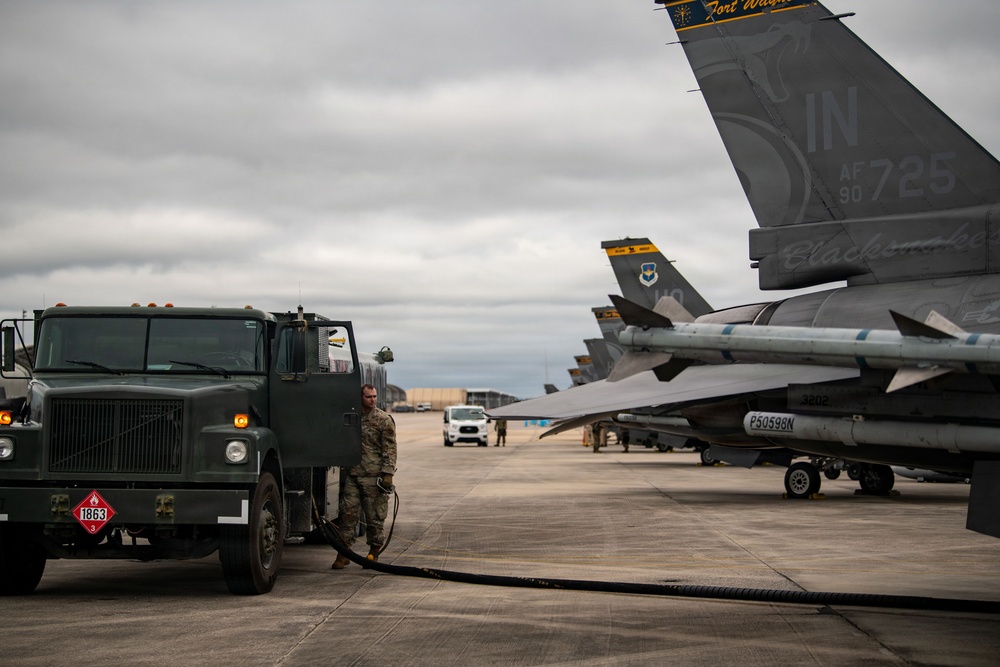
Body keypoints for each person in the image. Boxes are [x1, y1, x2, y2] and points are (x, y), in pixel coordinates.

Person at [332, 384, 397, 569]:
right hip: (353, 474)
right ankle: (343, 554)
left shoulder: (383, 420)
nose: (373, 400)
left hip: (374, 477)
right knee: (348, 515)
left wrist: (387, 474)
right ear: (360, 397)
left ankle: (374, 552)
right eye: (369, 397)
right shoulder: (352, 419)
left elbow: (390, 450)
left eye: (375, 396)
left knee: (374, 517)